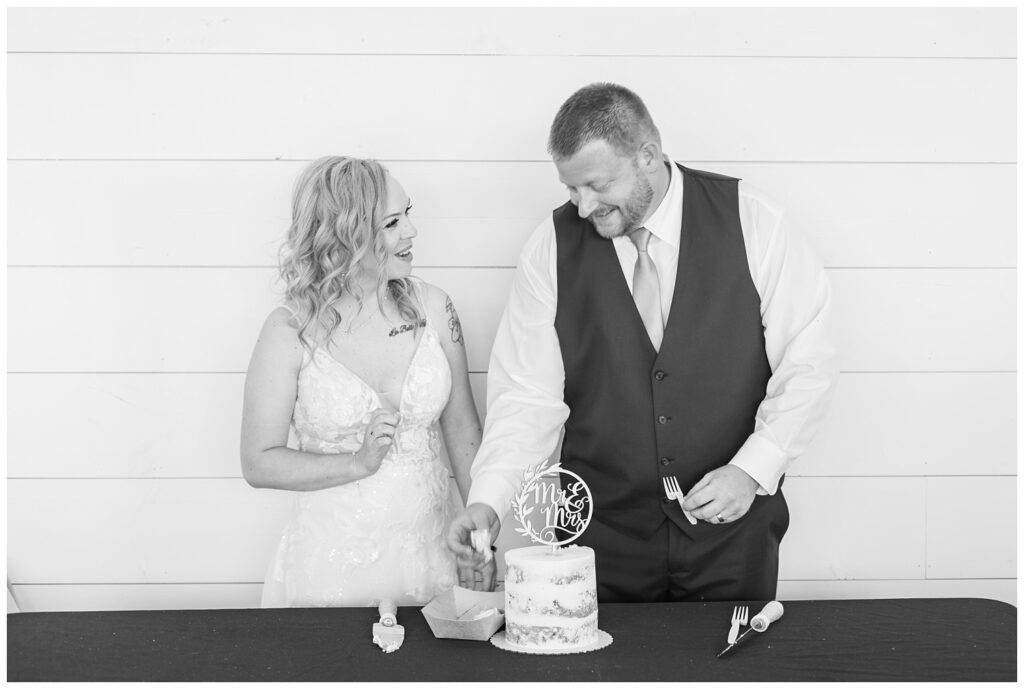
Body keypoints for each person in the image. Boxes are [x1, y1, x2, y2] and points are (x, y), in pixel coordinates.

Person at [448, 83, 839, 603]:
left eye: (596, 184)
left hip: (733, 530)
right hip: (599, 540)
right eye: (571, 189)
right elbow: (527, 399)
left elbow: (807, 366)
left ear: (648, 157)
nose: (583, 206)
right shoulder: (550, 247)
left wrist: (751, 469)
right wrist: (489, 501)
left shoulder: (756, 222)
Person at [242, 156, 493, 607]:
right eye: (393, 223)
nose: (411, 232)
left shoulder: (435, 309)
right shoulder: (288, 331)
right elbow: (258, 462)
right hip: (332, 568)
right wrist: (356, 463)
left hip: (434, 555)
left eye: (408, 215)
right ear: (347, 235)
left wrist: (481, 539)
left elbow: (463, 432)